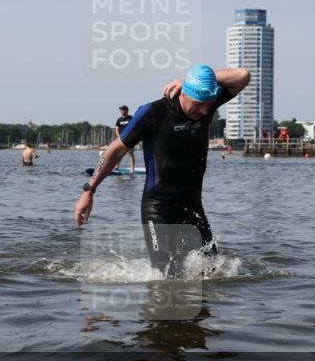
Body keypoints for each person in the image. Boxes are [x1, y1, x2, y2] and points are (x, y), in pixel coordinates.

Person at [74, 65, 250, 277]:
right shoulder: (153, 113)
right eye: (199, 104)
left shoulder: (206, 102)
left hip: (193, 208)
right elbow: (115, 150)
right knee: (167, 276)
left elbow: (243, 76)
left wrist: (194, 79)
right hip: (158, 209)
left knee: (212, 273)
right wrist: (89, 190)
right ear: (185, 94)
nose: (204, 111)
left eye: (209, 105)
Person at [115, 106, 136, 173]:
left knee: (131, 154)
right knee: (119, 154)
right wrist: (119, 137)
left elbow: (134, 127)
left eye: (123, 110)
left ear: (126, 111)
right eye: (121, 110)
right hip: (121, 140)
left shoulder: (131, 118)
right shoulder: (119, 120)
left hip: (130, 139)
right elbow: (117, 129)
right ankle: (117, 167)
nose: (121, 111)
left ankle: (132, 169)